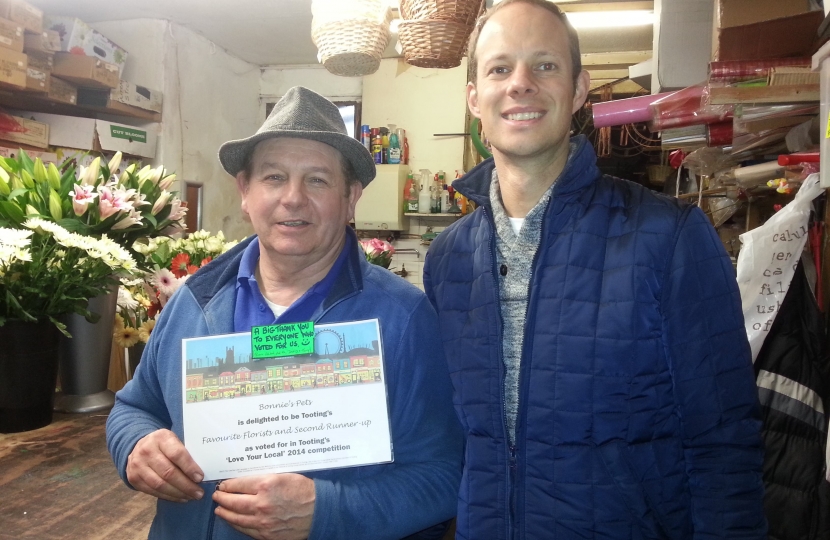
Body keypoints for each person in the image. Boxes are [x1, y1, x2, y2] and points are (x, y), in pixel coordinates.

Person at [422, 1, 767, 538]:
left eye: (545, 65)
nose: (520, 84)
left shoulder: (668, 238)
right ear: (474, 98)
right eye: (499, 68)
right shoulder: (446, 261)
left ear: (579, 89)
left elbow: (723, 439)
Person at [107, 86, 463, 540]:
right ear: (245, 191)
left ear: (351, 197)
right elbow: (134, 407)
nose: (293, 198)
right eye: (274, 177)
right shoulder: (193, 301)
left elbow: (444, 475)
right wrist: (135, 445)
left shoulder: (403, 318)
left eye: (317, 180)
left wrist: (329, 510)